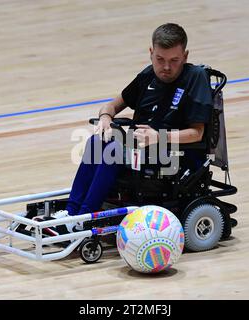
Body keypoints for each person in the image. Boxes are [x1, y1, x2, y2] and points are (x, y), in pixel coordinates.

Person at [52, 23, 214, 233]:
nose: (166, 67)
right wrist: (105, 118)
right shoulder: (148, 76)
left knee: (114, 151)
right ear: (150, 53)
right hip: (141, 150)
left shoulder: (195, 78)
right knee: (96, 142)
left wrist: (160, 137)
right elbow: (111, 105)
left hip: (174, 156)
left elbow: (197, 133)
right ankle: (71, 212)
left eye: (174, 61)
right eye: (160, 59)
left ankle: (84, 218)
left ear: (185, 56)